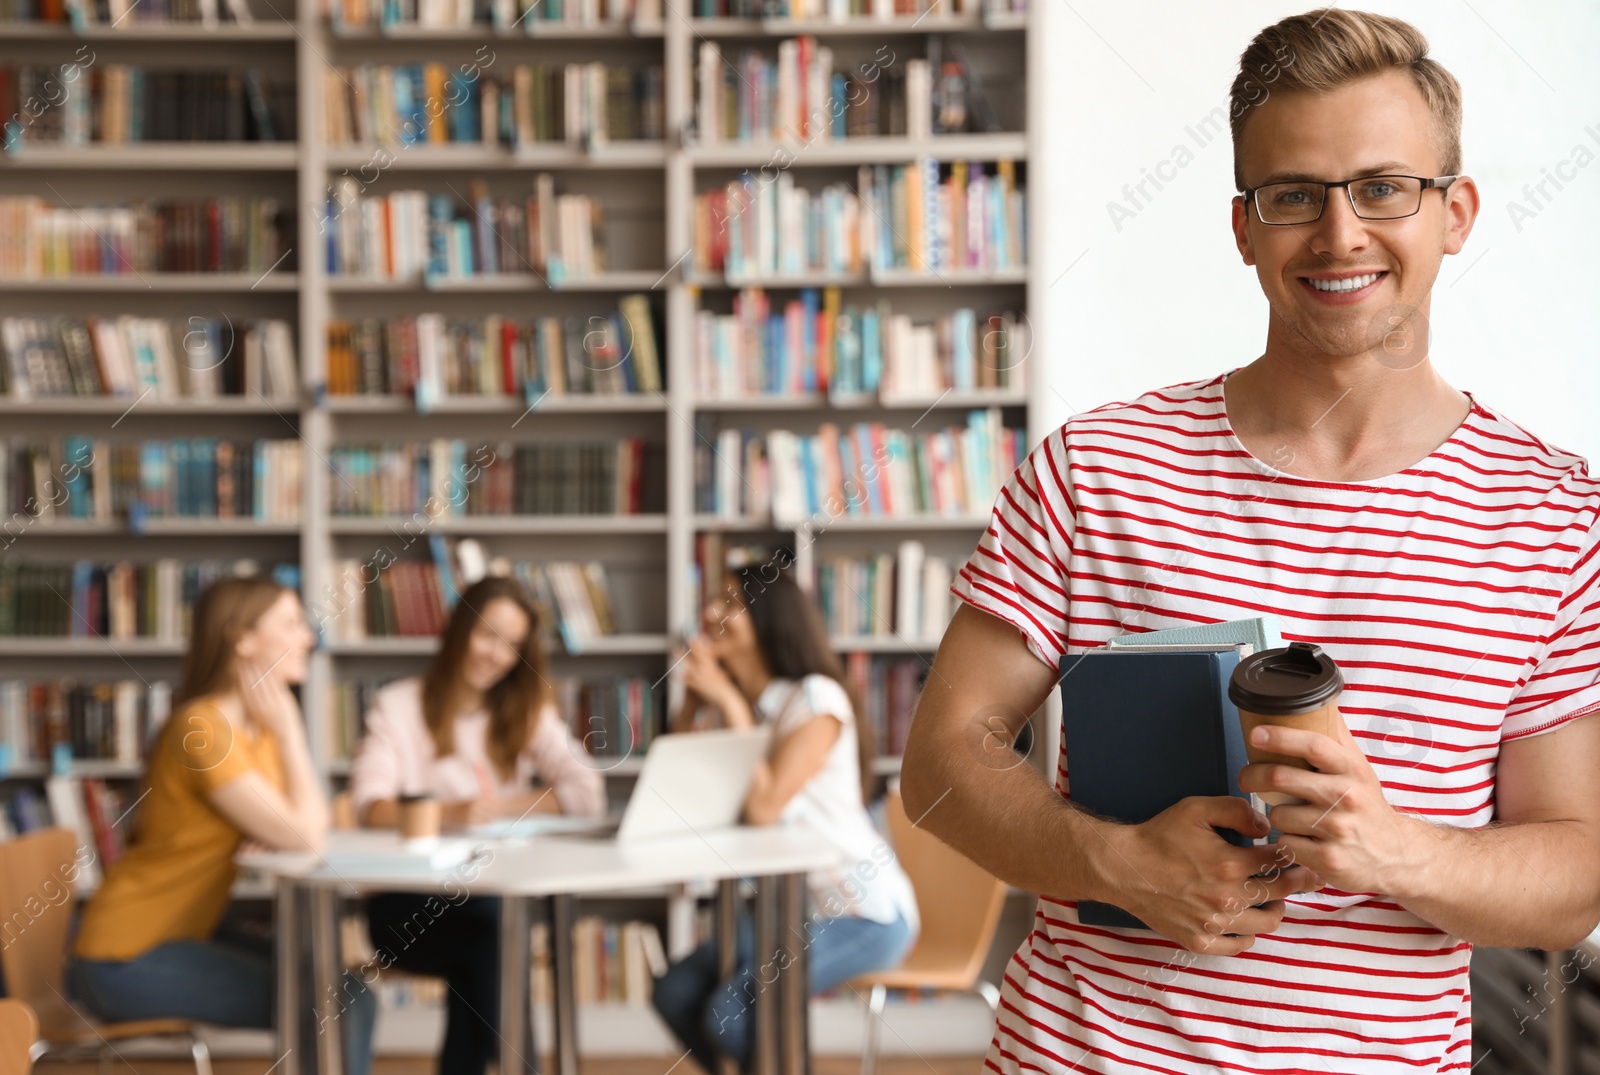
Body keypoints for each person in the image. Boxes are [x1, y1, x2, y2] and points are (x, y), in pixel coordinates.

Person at [901, 9, 1600, 1074]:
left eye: (1382, 187)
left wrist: (1393, 848)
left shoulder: (1551, 514)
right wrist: (1113, 859)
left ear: (1453, 211)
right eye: (1293, 196)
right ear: (1243, 227)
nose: (1339, 234)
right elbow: (941, 765)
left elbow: (1573, 877)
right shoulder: (1095, 469)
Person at [72, 577, 376, 1075]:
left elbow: (308, 822)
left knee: (345, 992)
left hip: (177, 937)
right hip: (123, 957)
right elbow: (307, 834)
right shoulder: (203, 730)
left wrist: (282, 814)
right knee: (341, 1004)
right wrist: (291, 731)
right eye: (291, 623)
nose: (308, 637)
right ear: (242, 638)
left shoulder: (246, 730)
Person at [651, 559, 919, 1072]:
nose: (710, 612)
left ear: (769, 619)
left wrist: (728, 705)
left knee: (731, 1011)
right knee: (676, 992)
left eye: (730, 603)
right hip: (792, 912)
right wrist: (691, 705)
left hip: (863, 913)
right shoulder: (750, 707)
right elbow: (674, 793)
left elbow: (763, 807)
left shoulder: (816, 700)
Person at [349, 574, 605, 1075]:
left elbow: (587, 794)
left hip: (486, 899)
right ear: (459, 628)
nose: (495, 655)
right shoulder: (398, 706)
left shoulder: (524, 710)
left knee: (484, 938)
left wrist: (502, 805)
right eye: (487, 635)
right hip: (403, 907)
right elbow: (368, 806)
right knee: (490, 936)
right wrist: (449, 814)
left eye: (511, 645)